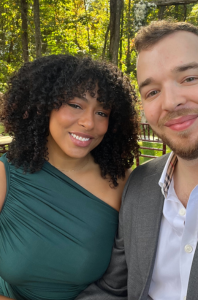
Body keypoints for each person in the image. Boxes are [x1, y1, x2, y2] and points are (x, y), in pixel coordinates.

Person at [76, 21, 198, 300]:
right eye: (152, 92)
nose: (171, 102)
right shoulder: (138, 184)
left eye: (189, 78)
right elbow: (113, 290)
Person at [0, 54, 139, 300]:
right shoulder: (5, 176)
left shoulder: (123, 184)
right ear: (43, 106)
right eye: (76, 105)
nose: (88, 122)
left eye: (102, 112)